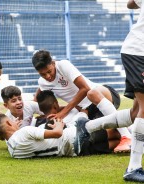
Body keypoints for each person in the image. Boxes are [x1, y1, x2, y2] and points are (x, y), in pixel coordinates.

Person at [75, 0, 144, 182]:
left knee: (136, 112)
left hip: (137, 51)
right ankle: (133, 167)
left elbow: (131, 3)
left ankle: (87, 127)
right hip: (138, 52)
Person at [32, 49, 131, 153]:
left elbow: (85, 88)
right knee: (99, 135)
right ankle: (134, 131)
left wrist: (63, 112)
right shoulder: (43, 83)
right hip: (89, 110)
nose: (47, 76)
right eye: (43, 74)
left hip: (103, 95)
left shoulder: (63, 65)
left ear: (53, 63)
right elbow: (42, 100)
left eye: (49, 71)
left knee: (91, 93)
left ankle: (127, 137)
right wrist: (42, 114)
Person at [0, 113, 121, 159]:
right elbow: (57, 133)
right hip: (75, 137)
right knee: (116, 133)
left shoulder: (12, 151)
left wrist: (13, 128)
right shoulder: (25, 132)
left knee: (116, 141)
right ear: (8, 122)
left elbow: (7, 138)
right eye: (11, 120)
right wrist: (58, 124)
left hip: (75, 152)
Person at [36, 90, 121, 156]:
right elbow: (84, 111)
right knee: (116, 135)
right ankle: (127, 138)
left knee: (111, 143)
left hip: (76, 151)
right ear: (55, 104)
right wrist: (71, 107)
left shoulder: (41, 127)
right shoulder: (72, 112)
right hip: (86, 135)